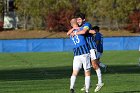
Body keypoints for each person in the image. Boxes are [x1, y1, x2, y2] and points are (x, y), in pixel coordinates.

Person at [71, 12, 104, 92]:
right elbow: (90, 32)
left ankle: (100, 82)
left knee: (94, 64)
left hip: (91, 48)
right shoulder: (79, 27)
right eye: (77, 19)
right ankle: (88, 84)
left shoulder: (87, 24)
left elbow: (85, 31)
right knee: (86, 67)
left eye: (79, 19)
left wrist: (76, 32)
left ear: (83, 20)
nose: (78, 21)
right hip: (85, 50)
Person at [67, 18, 91, 93]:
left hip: (76, 54)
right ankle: (87, 90)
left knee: (74, 72)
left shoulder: (71, 32)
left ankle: (71, 87)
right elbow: (85, 31)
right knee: (87, 72)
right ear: (76, 22)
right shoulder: (81, 29)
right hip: (84, 52)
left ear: (71, 24)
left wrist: (73, 29)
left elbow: (67, 33)